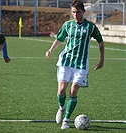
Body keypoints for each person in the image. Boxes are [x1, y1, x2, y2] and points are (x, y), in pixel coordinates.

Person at [45, 0, 104, 129]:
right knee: (61, 90)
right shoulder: (67, 25)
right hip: (66, 61)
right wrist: (50, 50)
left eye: (77, 12)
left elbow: (100, 41)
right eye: (73, 12)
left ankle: (66, 119)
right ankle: (61, 108)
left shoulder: (91, 27)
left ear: (83, 11)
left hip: (81, 65)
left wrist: (101, 60)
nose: (75, 14)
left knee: (73, 91)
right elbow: (59, 39)